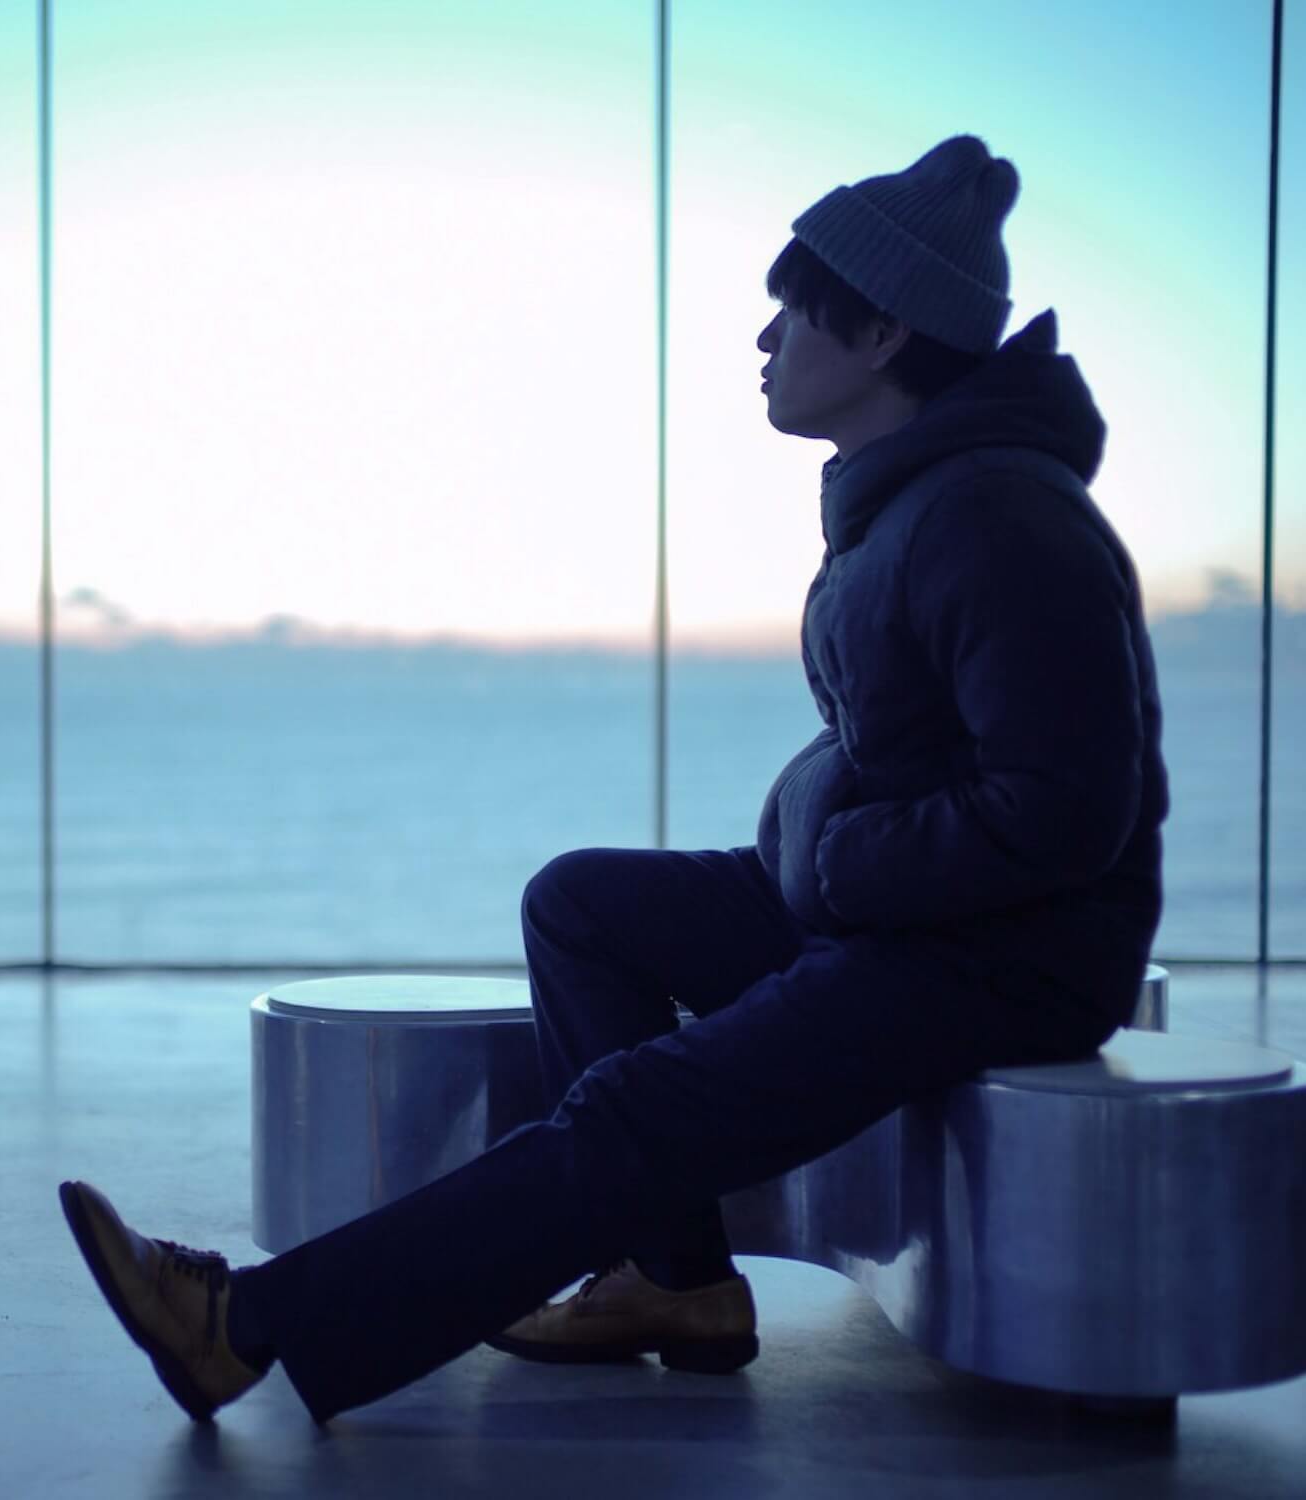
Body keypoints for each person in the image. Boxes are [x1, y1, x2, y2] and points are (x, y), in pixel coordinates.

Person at [59, 133, 1170, 1427]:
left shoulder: (997, 516)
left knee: (639, 1111)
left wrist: (835, 858)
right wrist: (827, 839)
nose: (764, 339)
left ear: (881, 333)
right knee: (582, 902)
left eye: (793, 310)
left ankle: (242, 1329)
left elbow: (1065, 810)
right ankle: (676, 1281)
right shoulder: (908, 504)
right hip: (909, 907)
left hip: (1008, 953)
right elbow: (912, 754)